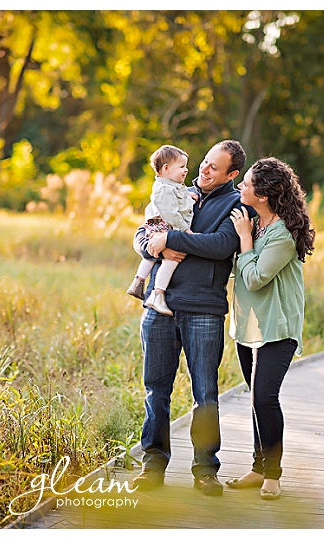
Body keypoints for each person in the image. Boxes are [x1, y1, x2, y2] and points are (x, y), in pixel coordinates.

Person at [130, 140, 248, 497]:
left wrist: (172, 238)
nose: (204, 170)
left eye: (215, 167)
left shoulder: (237, 203)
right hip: (158, 305)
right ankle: (152, 464)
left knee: (206, 393)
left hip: (204, 309)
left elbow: (222, 245)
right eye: (205, 162)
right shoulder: (175, 190)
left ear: (232, 174)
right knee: (156, 390)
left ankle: (205, 469)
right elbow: (142, 233)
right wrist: (155, 243)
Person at [225, 157, 315, 501]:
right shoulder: (256, 223)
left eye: (245, 184)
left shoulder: (281, 233)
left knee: (265, 397)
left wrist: (245, 242)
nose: (240, 188)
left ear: (262, 195)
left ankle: (272, 476)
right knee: (255, 398)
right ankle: (257, 467)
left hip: (278, 325)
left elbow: (256, 277)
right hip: (249, 323)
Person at [127, 144, 197, 316]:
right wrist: (186, 230)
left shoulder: (168, 185)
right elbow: (172, 212)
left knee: (154, 253)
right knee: (171, 259)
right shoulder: (165, 189)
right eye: (181, 167)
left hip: (156, 225)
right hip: (164, 225)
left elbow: (177, 198)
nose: (186, 170)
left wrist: (188, 195)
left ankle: (138, 281)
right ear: (166, 169)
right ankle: (157, 295)